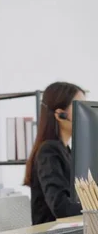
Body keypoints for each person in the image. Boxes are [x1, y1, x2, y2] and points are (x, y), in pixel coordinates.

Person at [24, 82, 86, 225]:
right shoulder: (48, 151)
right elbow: (62, 208)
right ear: (60, 114)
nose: (85, 113)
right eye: (79, 107)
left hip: (69, 231)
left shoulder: (66, 151)